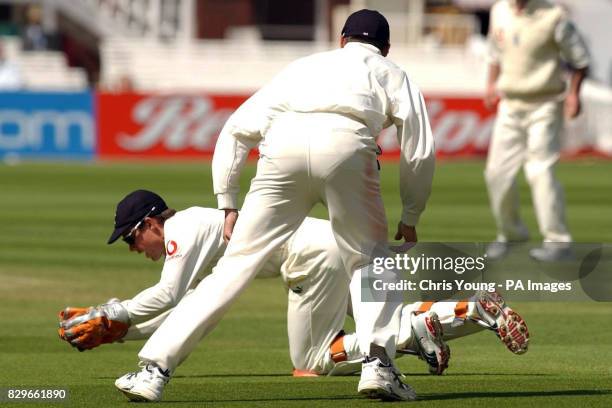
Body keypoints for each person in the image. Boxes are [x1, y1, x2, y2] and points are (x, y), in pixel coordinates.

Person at [116, 9, 436, 402]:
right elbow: (418, 150)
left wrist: (227, 201)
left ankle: (153, 371)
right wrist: (411, 214)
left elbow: (236, 128)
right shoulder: (392, 72)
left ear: (341, 41)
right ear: (386, 48)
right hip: (348, 146)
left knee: (231, 270)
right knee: (371, 264)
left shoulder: (303, 66)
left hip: (281, 148)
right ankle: (378, 367)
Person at [58, 190, 527, 389]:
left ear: (150, 223)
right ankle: (467, 312)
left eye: (131, 237)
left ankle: (419, 329)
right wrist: (120, 332)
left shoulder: (181, 230)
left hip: (313, 258)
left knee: (314, 360)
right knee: (380, 321)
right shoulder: (197, 231)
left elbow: (165, 297)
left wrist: (111, 311)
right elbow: (181, 311)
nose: (132, 248)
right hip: (334, 243)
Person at [484, 0, 590, 261]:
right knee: (496, 173)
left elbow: (580, 60)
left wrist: (574, 94)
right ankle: (511, 234)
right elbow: (495, 53)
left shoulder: (554, 16)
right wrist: (490, 84)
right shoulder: (499, 11)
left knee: (540, 171)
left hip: (545, 104)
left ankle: (558, 242)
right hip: (510, 105)